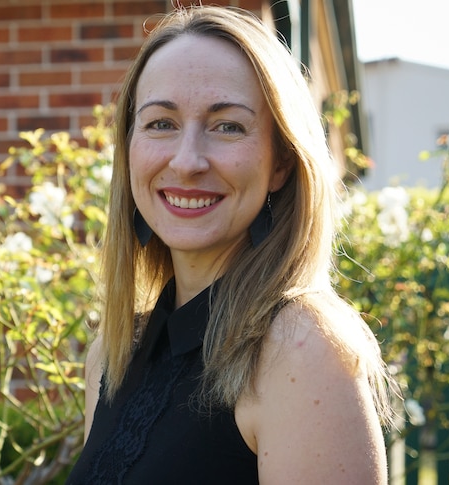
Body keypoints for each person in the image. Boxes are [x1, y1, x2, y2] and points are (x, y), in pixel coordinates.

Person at [66, 5, 395, 484]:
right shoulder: (114, 352)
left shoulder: (299, 348)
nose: (187, 161)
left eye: (228, 126)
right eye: (161, 123)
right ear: (130, 148)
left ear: (280, 163)